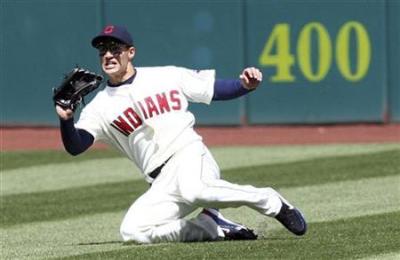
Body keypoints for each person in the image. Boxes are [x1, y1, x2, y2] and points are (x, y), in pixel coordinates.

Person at [55, 25, 307, 244]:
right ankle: (210, 227)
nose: (108, 54)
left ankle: (269, 201)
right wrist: (66, 120)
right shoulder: (99, 106)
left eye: (115, 48)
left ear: (131, 52)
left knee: (195, 190)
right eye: (103, 50)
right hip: (160, 182)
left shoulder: (165, 75)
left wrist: (245, 85)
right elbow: (76, 146)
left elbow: (213, 89)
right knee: (132, 231)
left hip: (188, 155)